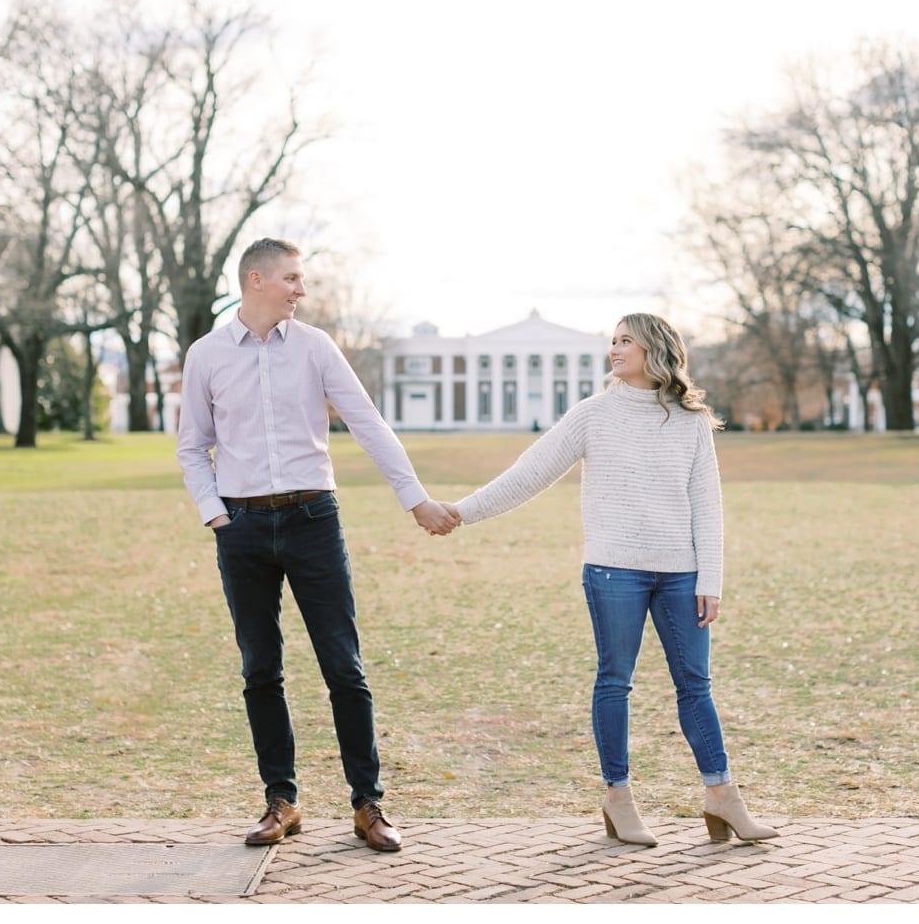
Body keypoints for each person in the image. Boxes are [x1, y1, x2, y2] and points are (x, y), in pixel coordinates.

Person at [446, 313, 777, 847]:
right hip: (613, 570)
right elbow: (529, 474)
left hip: (681, 574)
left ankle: (723, 796)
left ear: (654, 349)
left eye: (626, 341)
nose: (615, 349)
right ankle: (618, 797)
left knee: (696, 686)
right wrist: (461, 511)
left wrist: (710, 578)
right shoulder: (593, 415)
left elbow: (706, 505)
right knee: (614, 682)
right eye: (613, 341)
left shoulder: (690, 421)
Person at [177, 237, 458, 854]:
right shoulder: (206, 355)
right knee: (260, 669)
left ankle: (368, 804)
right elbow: (192, 445)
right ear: (257, 280)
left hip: (313, 520)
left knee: (344, 667)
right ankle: (281, 801)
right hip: (242, 528)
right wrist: (216, 516)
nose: (301, 291)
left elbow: (367, 423)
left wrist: (416, 499)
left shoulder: (315, 347)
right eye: (293, 279)